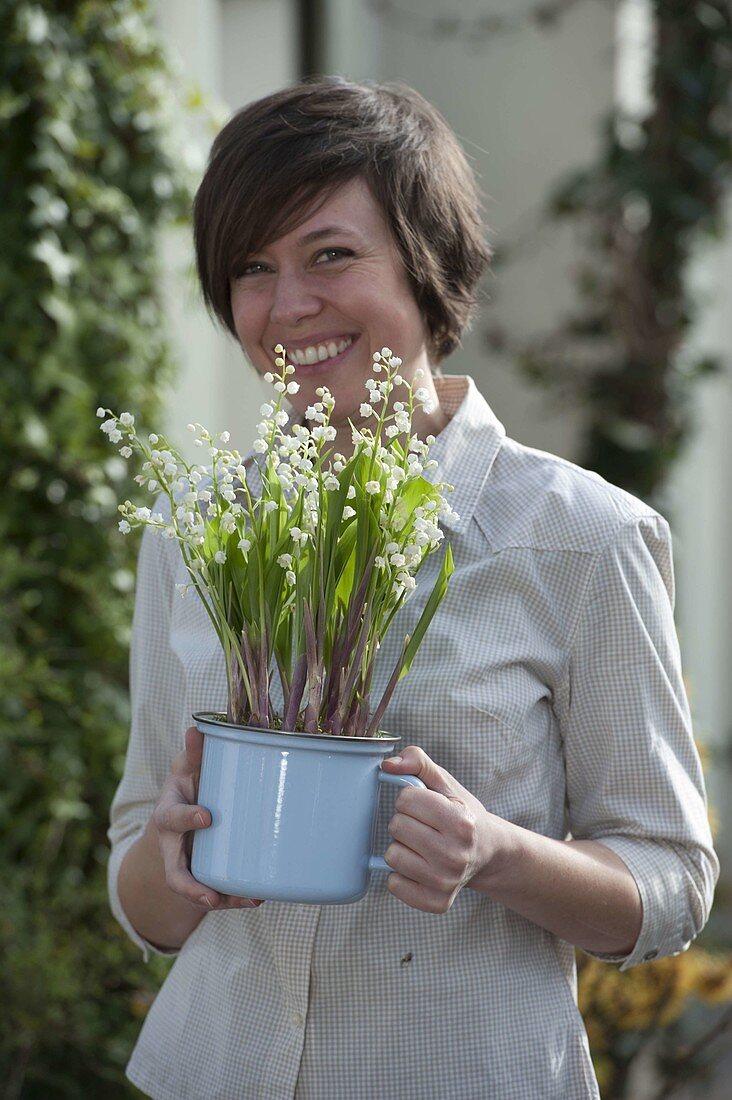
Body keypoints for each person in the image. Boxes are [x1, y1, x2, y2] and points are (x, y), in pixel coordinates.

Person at [107, 78, 718, 1100]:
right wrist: (168, 865)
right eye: (252, 267)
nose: (287, 304)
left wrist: (497, 851)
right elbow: (142, 868)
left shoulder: (583, 538)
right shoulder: (195, 532)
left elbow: (669, 882)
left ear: (427, 266)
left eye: (330, 254)